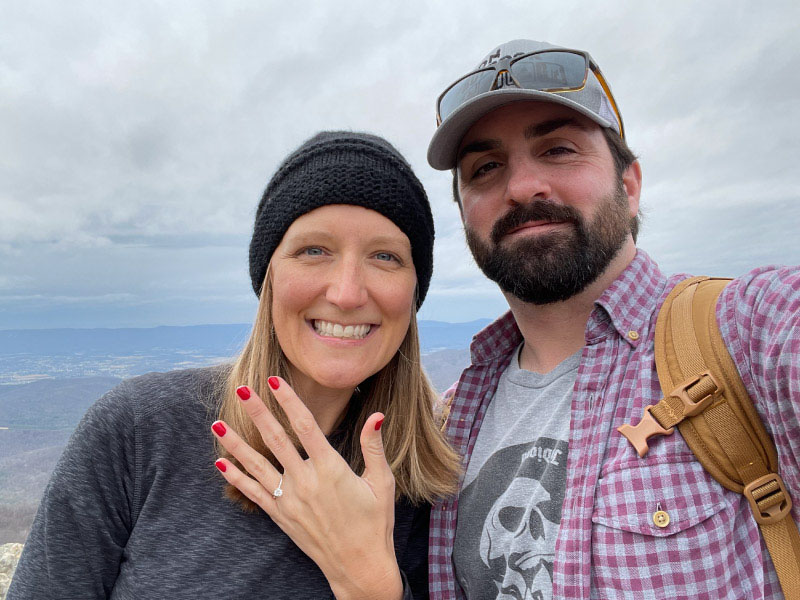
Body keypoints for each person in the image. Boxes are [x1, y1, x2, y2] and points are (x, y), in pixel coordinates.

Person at [9, 131, 460, 599]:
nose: (347, 293)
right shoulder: (139, 431)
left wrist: (368, 579)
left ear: (413, 292)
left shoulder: (440, 480)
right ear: (268, 275)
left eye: (385, 256)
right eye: (313, 250)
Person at [425, 39, 800, 599]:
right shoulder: (453, 417)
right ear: (464, 213)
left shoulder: (747, 332)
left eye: (557, 150)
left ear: (629, 187)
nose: (522, 186)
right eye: (486, 167)